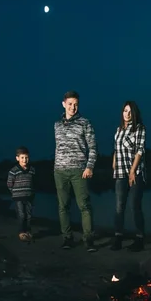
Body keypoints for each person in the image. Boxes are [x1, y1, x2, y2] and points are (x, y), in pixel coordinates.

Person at [54, 90, 98, 252]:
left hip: (79, 170)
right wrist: (56, 167)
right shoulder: (57, 125)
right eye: (70, 104)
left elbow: (93, 147)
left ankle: (89, 240)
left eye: (76, 104)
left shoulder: (85, 123)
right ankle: (67, 238)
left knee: (84, 206)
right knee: (63, 206)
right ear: (64, 104)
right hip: (59, 171)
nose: (73, 107)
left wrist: (89, 166)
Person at [110, 101, 147, 252]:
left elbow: (140, 151)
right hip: (120, 173)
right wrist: (113, 162)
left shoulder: (139, 129)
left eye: (130, 111)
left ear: (135, 113)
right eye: (125, 111)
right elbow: (116, 148)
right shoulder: (119, 129)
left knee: (134, 206)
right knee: (119, 207)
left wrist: (132, 171)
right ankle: (118, 238)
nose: (127, 114)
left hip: (135, 173)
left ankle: (140, 239)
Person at [7, 146, 36, 242]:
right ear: (17, 158)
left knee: (29, 215)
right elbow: (9, 184)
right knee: (21, 214)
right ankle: (21, 232)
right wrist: (14, 192)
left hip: (29, 196)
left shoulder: (32, 169)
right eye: (22, 157)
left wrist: (32, 192)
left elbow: (33, 182)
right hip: (18, 196)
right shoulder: (13, 170)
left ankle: (28, 231)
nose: (25, 160)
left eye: (26, 157)